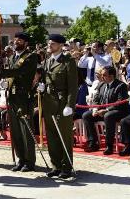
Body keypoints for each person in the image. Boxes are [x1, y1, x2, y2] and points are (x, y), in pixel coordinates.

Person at [0, 32, 38, 172]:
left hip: (23, 98)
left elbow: (17, 72)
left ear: (26, 43)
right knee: (15, 131)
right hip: (12, 97)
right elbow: (9, 76)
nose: (16, 42)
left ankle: (29, 161)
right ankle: (21, 159)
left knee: (25, 130)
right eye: (15, 39)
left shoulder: (31, 56)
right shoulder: (11, 57)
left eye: (20, 40)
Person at [42, 34, 78, 179]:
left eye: (53, 43)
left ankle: (66, 167)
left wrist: (70, 105)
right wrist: (41, 87)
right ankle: (55, 165)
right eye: (49, 43)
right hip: (49, 102)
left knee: (64, 136)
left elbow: (73, 86)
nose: (50, 45)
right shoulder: (48, 60)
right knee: (51, 135)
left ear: (61, 45)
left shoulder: (68, 61)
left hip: (62, 102)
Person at [81, 66, 129, 154]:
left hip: (119, 111)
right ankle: (93, 142)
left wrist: (106, 110)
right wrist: (95, 108)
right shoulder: (101, 84)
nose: (102, 77)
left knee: (108, 116)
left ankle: (109, 145)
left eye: (104, 75)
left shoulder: (121, 86)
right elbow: (96, 98)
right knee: (87, 115)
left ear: (111, 76)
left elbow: (120, 102)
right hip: (102, 111)